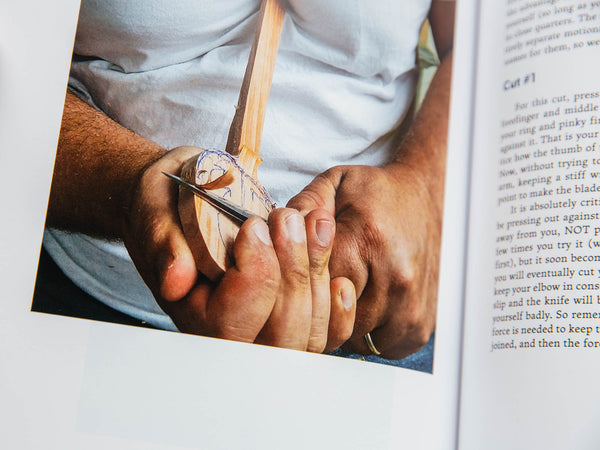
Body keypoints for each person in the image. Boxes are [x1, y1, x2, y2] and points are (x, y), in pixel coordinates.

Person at [34, 0, 455, 363]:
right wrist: (125, 186)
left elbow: (483, 45)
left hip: (362, 310)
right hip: (88, 300)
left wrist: (423, 189)